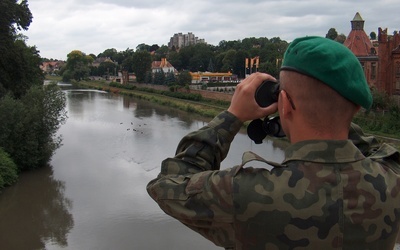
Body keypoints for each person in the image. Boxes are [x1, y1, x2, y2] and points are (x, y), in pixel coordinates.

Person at [147, 36, 400, 249]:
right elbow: (377, 148)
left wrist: (232, 116)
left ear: (284, 104)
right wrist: (329, 113)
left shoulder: (243, 195)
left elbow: (168, 184)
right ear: (356, 107)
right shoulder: (392, 181)